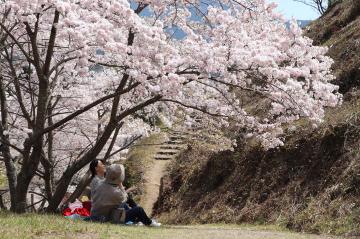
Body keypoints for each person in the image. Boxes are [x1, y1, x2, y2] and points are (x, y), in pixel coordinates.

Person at [90, 164, 161, 227]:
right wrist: (121, 186)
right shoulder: (115, 192)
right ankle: (149, 223)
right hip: (108, 218)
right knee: (139, 210)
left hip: (95, 215)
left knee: (126, 205)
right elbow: (125, 197)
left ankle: (141, 219)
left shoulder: (99, 184)